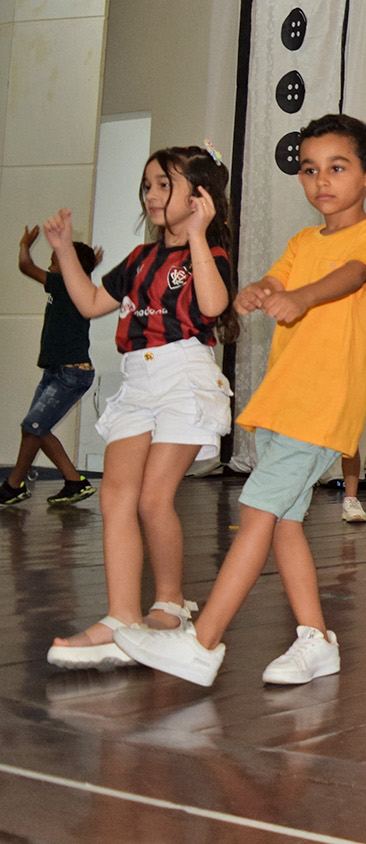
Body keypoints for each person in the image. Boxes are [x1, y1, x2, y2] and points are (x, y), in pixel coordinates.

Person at [115, 114, 366, 686]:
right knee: (285, 523)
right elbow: (276, 280)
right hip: (281, 404)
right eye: (309, 170)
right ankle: (315, 640)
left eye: (337, 168)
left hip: (321, 408)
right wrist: (259, 291)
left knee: (257, 514)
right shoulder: (302, 241)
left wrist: (303, 298)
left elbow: (350, 276)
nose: (321, 180)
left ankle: (202, 642)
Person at [42, 145, 237, 669]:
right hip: (137, 378)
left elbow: (213, 306)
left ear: (198, 195)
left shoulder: (209, 255)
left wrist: (199, 234)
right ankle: (120, 618)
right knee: (115, 498)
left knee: (153, 498)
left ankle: (169, 603)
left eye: (164, 184)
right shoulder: (137, 260)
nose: (151, 195)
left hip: (183, 375)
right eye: (147, 185)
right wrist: (63, 250)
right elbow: (90, 304)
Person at [2, 227, 102, 507]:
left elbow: (25, 266)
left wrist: (24, 245)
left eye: (54, 262)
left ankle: (19, 485)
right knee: (32, 428)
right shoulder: (77, 286)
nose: (49, 268)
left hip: (70, 374)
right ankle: (63, 482)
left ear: (69, 266)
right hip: (56, 371)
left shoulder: (66, 284)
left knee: (34, 426)